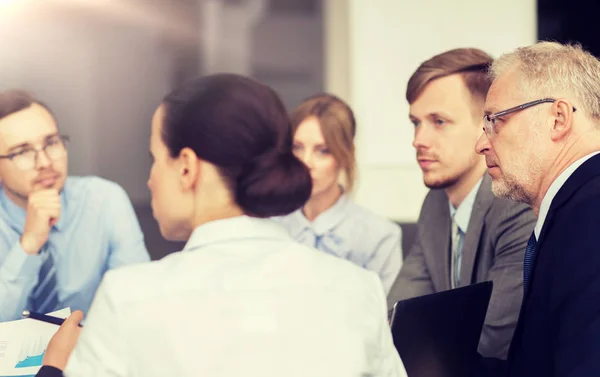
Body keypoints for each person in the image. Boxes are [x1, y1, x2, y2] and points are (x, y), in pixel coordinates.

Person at [36, 74, 407, 377]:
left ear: (186, 167)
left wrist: (54, 369)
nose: (149, 180)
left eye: (154, 159)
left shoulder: (127, 297)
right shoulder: (359, 290)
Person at [386, 48, 536, 360]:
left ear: (486, 125)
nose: (418, 139)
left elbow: (493, 338)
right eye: (416, 122)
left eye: (438, 121)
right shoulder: (436, 204)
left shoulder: (515, 204)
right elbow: (397, 318)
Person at [475, 41, 600, 376]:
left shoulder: (591, 218)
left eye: (494, 120)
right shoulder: (575, 208)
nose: (481, 143)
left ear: (558, 118)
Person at [0, 90, 149, 322]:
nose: (46, 162)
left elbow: (137, 304)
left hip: (91, 352)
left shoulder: (104, 200)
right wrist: (28, 245)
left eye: (51, 143)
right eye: (22, 152)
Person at [275, 93, 402, 295]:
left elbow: (386, 319)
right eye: (297, 148)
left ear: (345, 155)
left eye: (323, 150)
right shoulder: (270, 225)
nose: (306, 162)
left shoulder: (380, 236)